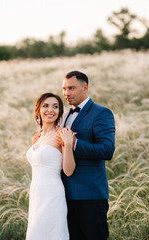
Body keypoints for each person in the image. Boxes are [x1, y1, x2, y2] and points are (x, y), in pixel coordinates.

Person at [33, 71, 116, 239]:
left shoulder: (101, 113)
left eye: (71, 88)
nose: (66, 93)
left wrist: (75, 143)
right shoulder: (63, 116)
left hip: (89, 195)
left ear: (85, 88)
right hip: (62, 194)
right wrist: (41, 138)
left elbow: (107, 149)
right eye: (64, 89)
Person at [26, 92, 76, 240]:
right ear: (39, 110)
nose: (50, 110)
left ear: (60, 111)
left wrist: (67, 144)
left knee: (52, 233)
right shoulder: (38, 136)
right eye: (46, 106)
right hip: (36, 194)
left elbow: (68, 170)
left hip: (52, 193)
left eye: (55, 107)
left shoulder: (61, 135)